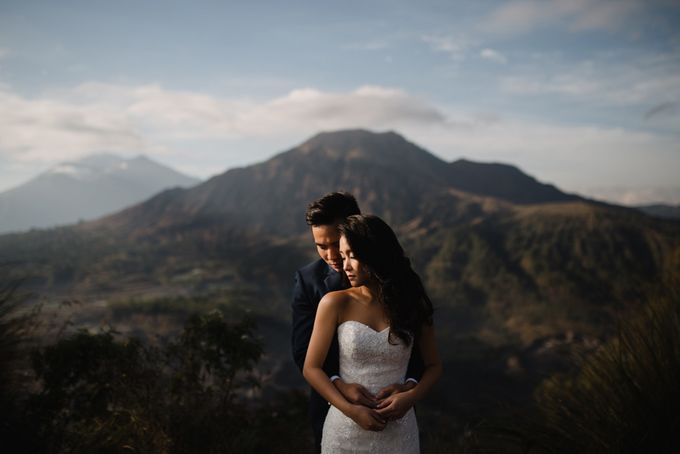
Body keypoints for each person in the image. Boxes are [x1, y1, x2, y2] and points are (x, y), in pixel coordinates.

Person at [292, 193, 424, 453]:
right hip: (337, 412)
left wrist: (408, 387)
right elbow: (302, 352)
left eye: (335, 244)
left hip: (394, 414)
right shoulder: (310, 282)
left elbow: (418, 350)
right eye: (321, 246)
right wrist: (341, 386)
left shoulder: (402, 285)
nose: (332, 255)